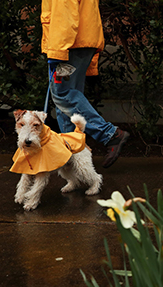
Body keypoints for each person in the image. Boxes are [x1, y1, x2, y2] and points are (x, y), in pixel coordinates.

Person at [40, 0, 129, 168]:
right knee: (66, 102)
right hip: (80, 42)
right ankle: (73, 156)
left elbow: (64, 13)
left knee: (62, 94)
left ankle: (110, 134)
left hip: (70, 44)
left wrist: (57, 51)